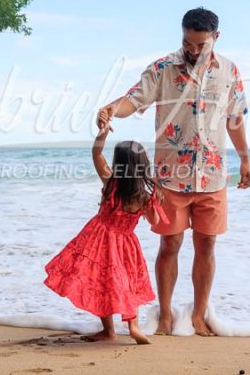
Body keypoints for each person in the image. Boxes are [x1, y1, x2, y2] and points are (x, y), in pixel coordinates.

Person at [95, 7, 250, 337]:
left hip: (212, 175)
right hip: (169, 178)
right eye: (187, 43)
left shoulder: (229, 71)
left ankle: (198, 315)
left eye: (200, 45)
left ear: (216, 38)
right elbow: (133, 100)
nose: (193, 51)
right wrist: (112, 108)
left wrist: (245, 160)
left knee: (207, 244)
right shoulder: (163, 68)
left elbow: (235, 120)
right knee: (170, 244)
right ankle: (165, 315)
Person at [43, 124, 169, 344]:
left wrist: (101, 135)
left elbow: (96, 154)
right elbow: (154, 222)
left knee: (103, 282)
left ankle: (109, 331)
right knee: (128, 282)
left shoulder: (111, 182)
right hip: (126, 243)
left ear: (119, 163)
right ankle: (134, 327)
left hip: (99, 239)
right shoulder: (145, 195)